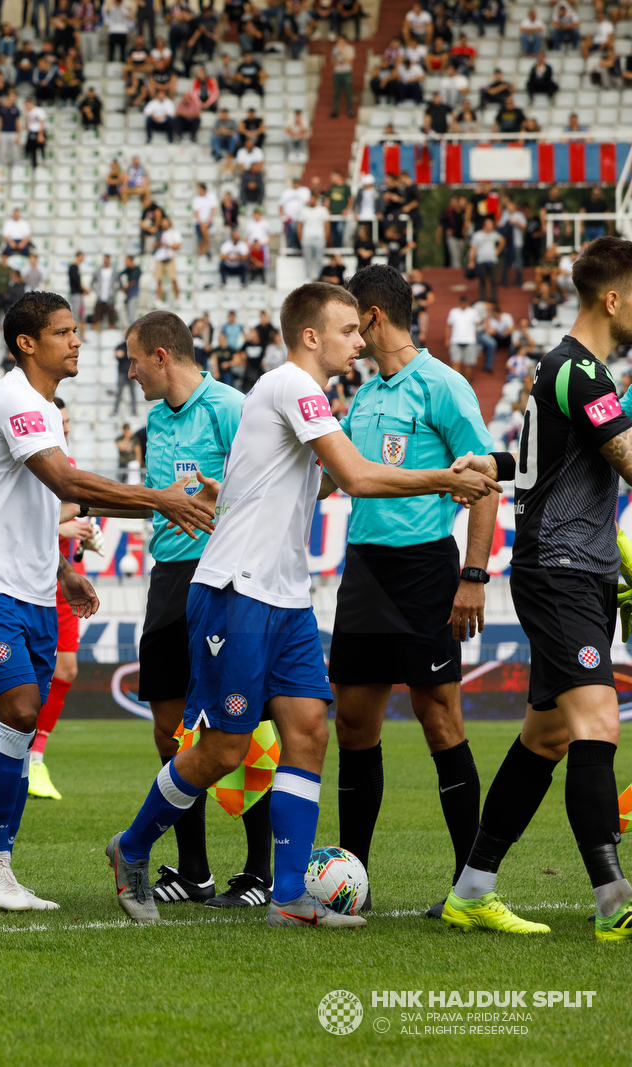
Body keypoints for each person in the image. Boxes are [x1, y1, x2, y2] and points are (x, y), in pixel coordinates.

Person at [105, 282, 500, 929]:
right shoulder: (293, 384)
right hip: (237, 592)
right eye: (347, 329)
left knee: (311, 730)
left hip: (285, 598)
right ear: (312, 336)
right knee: (226, 748)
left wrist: (229, 489)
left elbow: (307, 487)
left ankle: (288, 895)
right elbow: (359, 478)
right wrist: (447, 478)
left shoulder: (297, 397)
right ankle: (134, 844)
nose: (358, 339)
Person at [0, 292, 218, 910]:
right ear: (27, 344)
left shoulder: (40, 406)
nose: (77, 342)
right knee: (17, 710)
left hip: (35, 588)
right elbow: (67, 484)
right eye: (65, 333)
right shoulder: (15, 397)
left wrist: (62, 568)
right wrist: (162, 500)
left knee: (21, 723)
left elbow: (38, 499)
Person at [442, 236, 632, 941]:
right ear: (612, 299)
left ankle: (471, 889)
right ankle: (616, 898)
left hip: (578, 570)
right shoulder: (576, 371)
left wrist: (490, 458)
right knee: (599, 724)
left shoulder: (573, 372)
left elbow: (533, 464)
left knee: (548, 736)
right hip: (560, 572)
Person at [328, 266, 502, 917]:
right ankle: (352, 886)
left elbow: (484, 481)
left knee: (440, 719)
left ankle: (471, 886)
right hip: (364, 570)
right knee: (353, 722)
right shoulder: (367, 393)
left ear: (372, 317)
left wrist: (474, 575)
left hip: (427, 570)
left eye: (350, 317)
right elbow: (340, 477)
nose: (346, 330)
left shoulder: (444, 385)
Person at [114, 311, 274, 908]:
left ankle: (259, 872)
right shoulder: (156, 419)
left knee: (242, 723)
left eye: (133, 359)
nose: (129, 372)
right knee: (169, 727)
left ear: (160, 355)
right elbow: (163, 504)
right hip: (167, 579)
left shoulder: (230, 407)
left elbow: (265, 486)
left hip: (224, 577)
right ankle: (194, 871)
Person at [23, 398, 96, 802]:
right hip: (32, 574)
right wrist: (68, 526)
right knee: (30, 673)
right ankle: (22, 754)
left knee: (65, 669)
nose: (63, 427)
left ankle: (36, 756)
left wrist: (83, 533)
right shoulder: (33, 454)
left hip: (62, 577)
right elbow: (25, 516)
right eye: (59, 421)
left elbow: (67, 513)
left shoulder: (63, 461)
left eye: (66, 421)